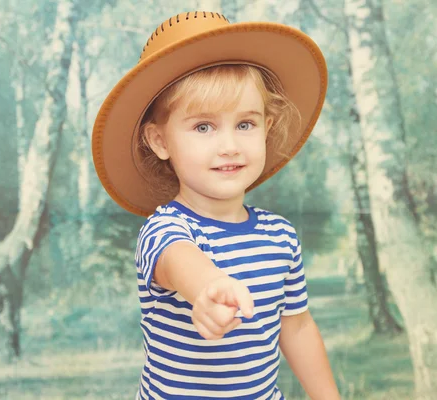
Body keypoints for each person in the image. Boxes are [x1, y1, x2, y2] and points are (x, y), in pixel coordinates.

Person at [92, 10, 340, 400]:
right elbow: (180, 261)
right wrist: (209, 288)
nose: (229, 145)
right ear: (160, 141)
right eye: (203, 127)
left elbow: (296, 327)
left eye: (245, 124)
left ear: (266, 129)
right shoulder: (164, 228)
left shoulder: (280, 235)